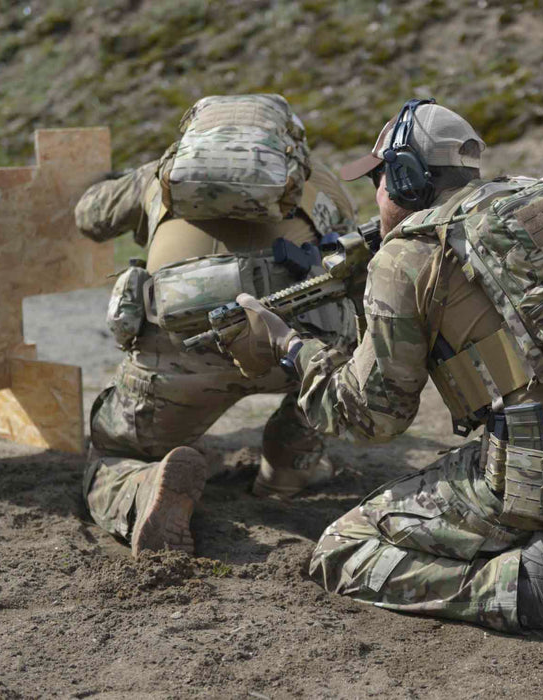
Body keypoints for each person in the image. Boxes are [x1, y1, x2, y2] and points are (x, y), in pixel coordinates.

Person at [229, 99, 543, 657]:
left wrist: (287, 346)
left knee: (342, 549)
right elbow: (503, 335)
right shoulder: (540, 216)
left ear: (406, 180)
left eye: (381, 179)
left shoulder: (408, 256)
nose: (376, 195)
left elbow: (372, 418)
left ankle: (523, 589)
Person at [75, 94, 359, 558]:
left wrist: (120, 187)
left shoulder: (159, 177)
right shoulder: (321, 182)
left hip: (180, 355)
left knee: (113, 451)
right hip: (286, 352)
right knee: (334, 349)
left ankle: (142, 488)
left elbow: (89, 217)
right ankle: (287, 468)